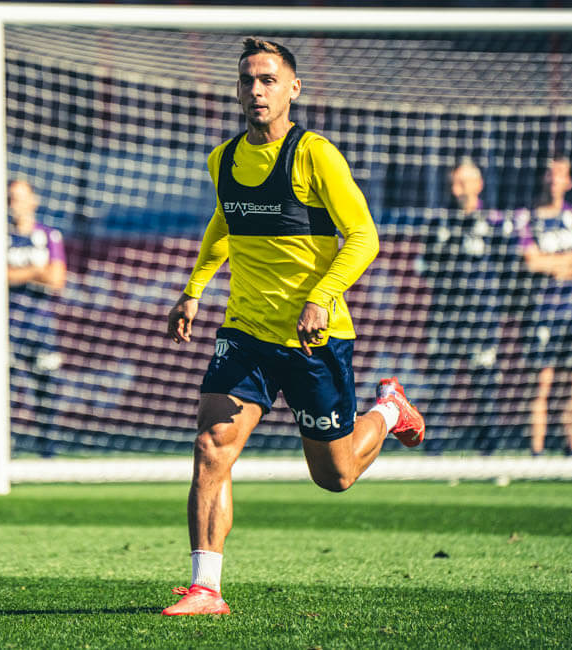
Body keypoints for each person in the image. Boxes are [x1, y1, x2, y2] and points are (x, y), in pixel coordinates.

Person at [162, 38, 424, 616]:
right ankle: (205, 587)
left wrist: (321, 297)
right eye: (248, 80)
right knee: (212, 445)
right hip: (246, 333)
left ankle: (388, 410)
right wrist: (194, 289)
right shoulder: (223, 159)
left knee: (335, 475)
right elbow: (224, 224)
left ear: (293, 89)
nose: (257, 90)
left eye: (269, 80)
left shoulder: (315, 155)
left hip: (314, 340)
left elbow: (364, 237)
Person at [418, 159, 515, 454]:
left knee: (485, 385)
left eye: (464, 182)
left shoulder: (495, 223)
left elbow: (509, 270)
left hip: (482, 317)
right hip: (446, 316)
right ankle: (432, 450)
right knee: (440, 383)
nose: (458, 189)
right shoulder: (440, 223)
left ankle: (488, 451)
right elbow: (426, 267)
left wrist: (498, 304)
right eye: (454, 183)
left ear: (479, 184)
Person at [514, 156, 572, 456]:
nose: (554, 179)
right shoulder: (528, 217)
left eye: (561, 174)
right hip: (543, 310)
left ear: (569, 182)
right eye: (550, 173)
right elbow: (532, 262)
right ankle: (537, 453)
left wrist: (558, 265)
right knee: (541, 385)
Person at [6, 179, 66, 456]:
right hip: (7, 327)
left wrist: (19, 273)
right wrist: (36, 270)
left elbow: (56, 278)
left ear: (34, 201)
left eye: (19, 197)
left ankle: (48, 452)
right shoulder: (0, 235)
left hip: (41, 326)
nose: (14, 203)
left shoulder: (49, 235)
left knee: (47, 389)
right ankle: (5, 449)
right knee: (5, 391)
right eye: (10, 198)